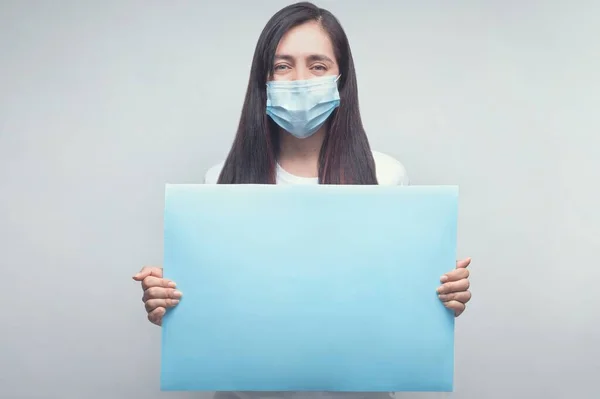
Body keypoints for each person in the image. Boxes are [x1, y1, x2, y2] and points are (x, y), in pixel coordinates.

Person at [133, 2, 472, 398]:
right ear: (263, 78)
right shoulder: (220, 180)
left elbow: (397, 307)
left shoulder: (387, 177)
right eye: (282, 66)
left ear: (341, 78)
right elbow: (219, 313)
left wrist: (442, 297)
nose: (299, 80)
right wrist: (172, 304)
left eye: (317, 65)